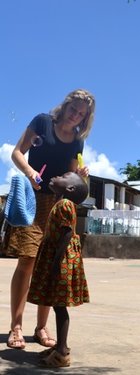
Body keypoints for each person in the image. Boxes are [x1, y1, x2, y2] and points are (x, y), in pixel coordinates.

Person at [3, 89, 95, 350]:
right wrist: (30, 172)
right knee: (27, 261)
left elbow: (71, 176)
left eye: (81, 114)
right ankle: (16, 327)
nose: (75, 116)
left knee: (50, 266)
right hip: (33, 201)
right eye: (73, 109)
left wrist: (82, 174)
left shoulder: (77, 141)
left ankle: (41, 327)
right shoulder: (42, 122)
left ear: (85, 118)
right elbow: (17, 152)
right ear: (65, 106)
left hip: (58, 206)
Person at [27, 172, 89, 368]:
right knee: (56, 305)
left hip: (59, 260)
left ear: (70, 189)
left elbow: (67, 233)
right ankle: (61, 347)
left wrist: (55, 263)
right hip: (59, 258)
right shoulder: (62, 203)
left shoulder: (64, 205)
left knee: (59, 306)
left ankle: (61, 352)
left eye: (63, 176)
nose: (56, 176)